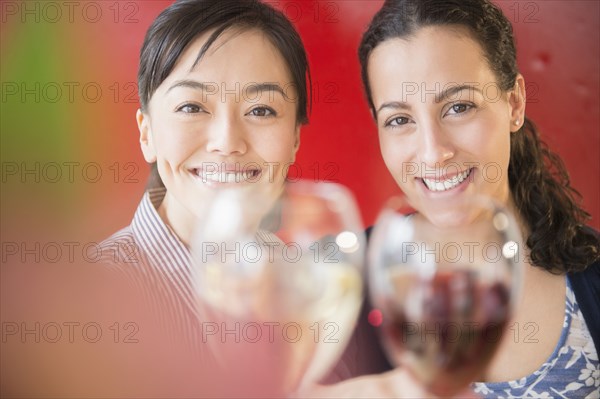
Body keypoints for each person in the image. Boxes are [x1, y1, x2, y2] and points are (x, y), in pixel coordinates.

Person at [317, 0, 599, 397]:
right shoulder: (333, 282)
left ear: (514, 103)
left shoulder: (593, 273)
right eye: (400, 120)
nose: (433, 152)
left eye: (459, 107)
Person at [97, 0, 311, 357]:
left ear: (294, 140)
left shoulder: (308, 283)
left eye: (260, 110)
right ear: (146, 133)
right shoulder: (98, 296)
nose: (227, 143)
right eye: (192, 107)